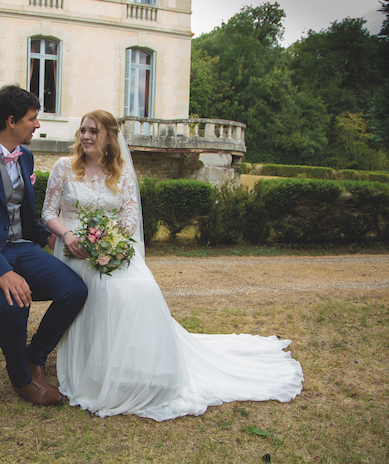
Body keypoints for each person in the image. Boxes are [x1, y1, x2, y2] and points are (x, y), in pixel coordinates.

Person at [41, 110, 304, 421]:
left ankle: (140, 367)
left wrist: (110, 245)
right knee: (106, 289)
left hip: (108, 251)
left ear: (108, 137)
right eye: (82, 130)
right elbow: (47, 213)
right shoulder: (64, 168)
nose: (85, 136)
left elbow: (128, 220)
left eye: (92, 131)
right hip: (72, 251)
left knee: (143, 286)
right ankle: (97, 368)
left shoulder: (122, 173)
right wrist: (68, 235)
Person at [0, 84, 88, 406]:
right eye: (32, 119)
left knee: (74, 290)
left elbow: (21, 213)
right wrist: (1, 272)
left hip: (19, 246)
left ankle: (35, 356)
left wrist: (52, 236)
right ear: (12, 121)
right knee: (14, 302)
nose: (37, 125)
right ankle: (22, 379)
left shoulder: (26, 156)